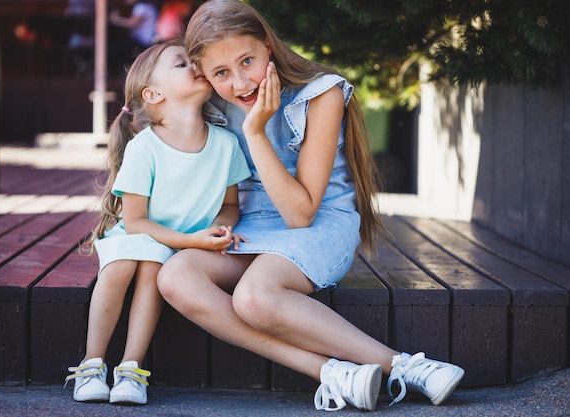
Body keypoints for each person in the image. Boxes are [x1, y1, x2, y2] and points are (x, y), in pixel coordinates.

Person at [157, 0, 465, 412]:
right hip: (251, 226)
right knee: (176, 275)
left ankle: (404, 366)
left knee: (255, 298)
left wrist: (256, 132)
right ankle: (332, 372)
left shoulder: (321, 93)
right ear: (205, 75)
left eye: (247, 60)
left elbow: (300, 213)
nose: (242, 82)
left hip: (317, 225)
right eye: (221, 73)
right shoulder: (213, 104)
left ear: (268, 44)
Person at [64, 38, 251, 405]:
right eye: (181, 63)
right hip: (141, 233)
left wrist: (222, 227)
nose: (195, 66)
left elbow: (231, 204)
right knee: (121, 268)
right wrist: (194, 241)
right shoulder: (144, 147)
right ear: (153, 95)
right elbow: (135, 223)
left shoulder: (226, 144)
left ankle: (132, 369)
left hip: (180, 244)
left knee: (153, 268)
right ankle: (91, 363)